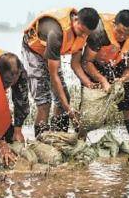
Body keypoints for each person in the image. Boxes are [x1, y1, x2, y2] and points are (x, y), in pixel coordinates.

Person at [21, 7, 99, 136]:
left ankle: (59, 136)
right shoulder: (56, 33)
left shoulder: (83, 33)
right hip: (34, 51)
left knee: (64, 99)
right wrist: (69, 111)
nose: (83, 36)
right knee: (44, 102)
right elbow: (53, 75)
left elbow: (75, 65)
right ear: (75, 20)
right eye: (82, 31)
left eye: (87, 34)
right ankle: (41, 141)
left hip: (52, 53)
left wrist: (88, 83)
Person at [79, 9, 129, 139]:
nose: (122, 37)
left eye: (126, 34)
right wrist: (103, 80)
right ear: (114, 24)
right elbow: (86, 62)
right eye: (119, 32)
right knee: (88, 101)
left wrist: (122, 80)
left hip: (115, 63)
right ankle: (81, 138)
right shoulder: (99, 33)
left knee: (127, 100)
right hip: (93, 64)